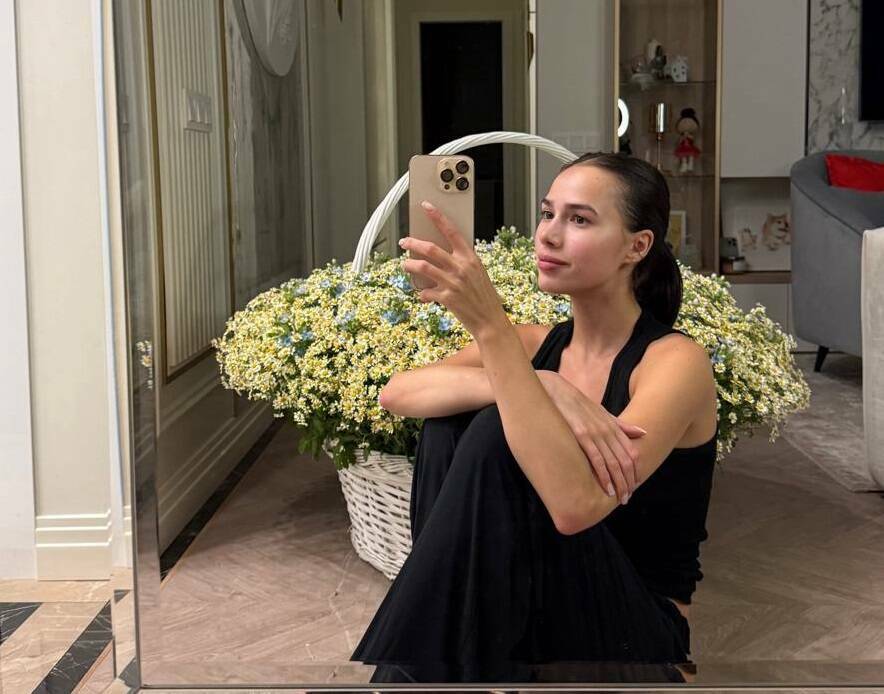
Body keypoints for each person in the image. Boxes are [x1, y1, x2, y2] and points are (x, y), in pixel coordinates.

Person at [349, 151, 720, 687]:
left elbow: (575, 508)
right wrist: (546, 384)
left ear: (637, 247)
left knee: (496, 427)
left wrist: (491, 329)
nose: (548, 234)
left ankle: (411, 678)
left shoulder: (675, 362)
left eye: (579, 219)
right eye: (548, 213)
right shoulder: (535, 346)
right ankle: (446, 671)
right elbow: (398, 392)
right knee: (451, 423)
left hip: (635, 639)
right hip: (530, 612)